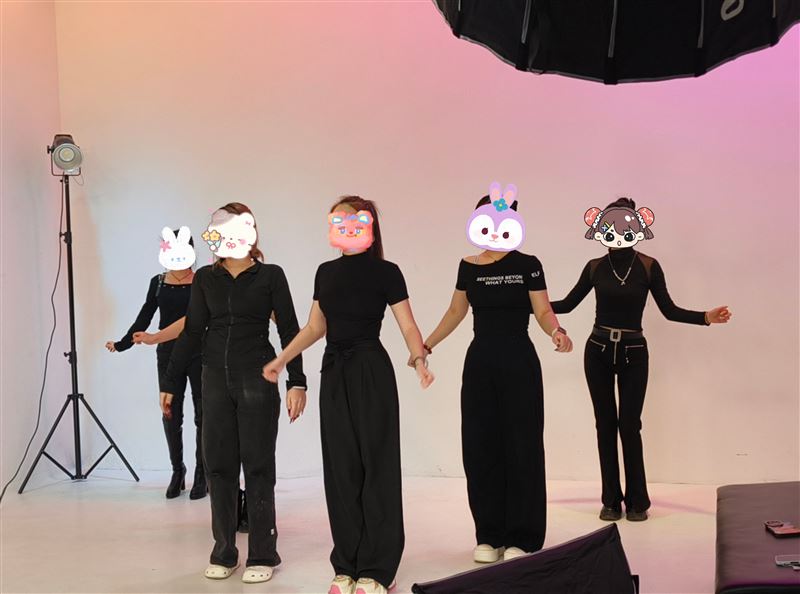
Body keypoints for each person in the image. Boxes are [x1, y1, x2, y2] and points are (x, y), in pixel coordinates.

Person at [263, 196, 434, 594]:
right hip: (335, 371)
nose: (344, 226)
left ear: (367, 225)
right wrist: (282, 360)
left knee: (377, 465)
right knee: (341, 469)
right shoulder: (325, 272)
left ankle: (378, 569)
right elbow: (314, 327)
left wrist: (419, 358)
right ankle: (347, 564)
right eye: (337, 221)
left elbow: (408, 325)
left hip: (371, 370)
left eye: (351, 220)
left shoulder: (387, 272)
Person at [550, 197, 731, 522]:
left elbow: (669, 310)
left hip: (634, 352)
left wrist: (706, 317)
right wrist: (526, 301)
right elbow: (566, 304)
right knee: (605, 425)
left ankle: (637, 502)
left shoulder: (648, 266)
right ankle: (610, 501)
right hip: (597, 350)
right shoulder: (595, 267)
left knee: (630, 426)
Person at [422, 183, 572, 564]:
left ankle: (523, 536)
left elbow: (542, 310)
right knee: (480, 447)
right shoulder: (468, 266)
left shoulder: (528, 264)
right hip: (480, 363)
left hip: (519, 360)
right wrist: (427, 344)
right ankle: (489, 534)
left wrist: (556, 331)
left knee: (522, 446)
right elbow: (456, 311)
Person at [160, 203, 307, 583]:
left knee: (258, 467)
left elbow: (289, 330)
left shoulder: (270, 276)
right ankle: (224, 552)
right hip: (213, 380)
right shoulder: (206, 279)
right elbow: (193, 330)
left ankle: (262, 554)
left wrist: (297, 381)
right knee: (219, 467)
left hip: (257, 377)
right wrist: (171, 382)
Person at [105, 226, 205, 500]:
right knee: (170, 413)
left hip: (199, 352)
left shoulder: (202, 280)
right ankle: (177, 470)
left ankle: (202, 473)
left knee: (203, 414)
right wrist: (124, 343)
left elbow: (198, 318)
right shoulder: (158, 282)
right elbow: (146, 314)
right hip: (168, 355)